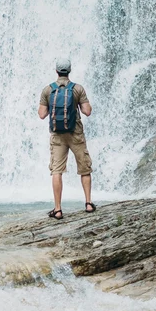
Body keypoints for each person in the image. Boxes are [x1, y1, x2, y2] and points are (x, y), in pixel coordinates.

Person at [38, 58, 95, 220]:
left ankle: (58, 209)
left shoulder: (48, 90)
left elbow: (42, 114)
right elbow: (87, 111)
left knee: (57, 170)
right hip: (75, 133)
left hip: (57, 135)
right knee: (84, 168)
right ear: (69, 71)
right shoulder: (77, 89)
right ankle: (89, 203)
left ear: (56, 71)